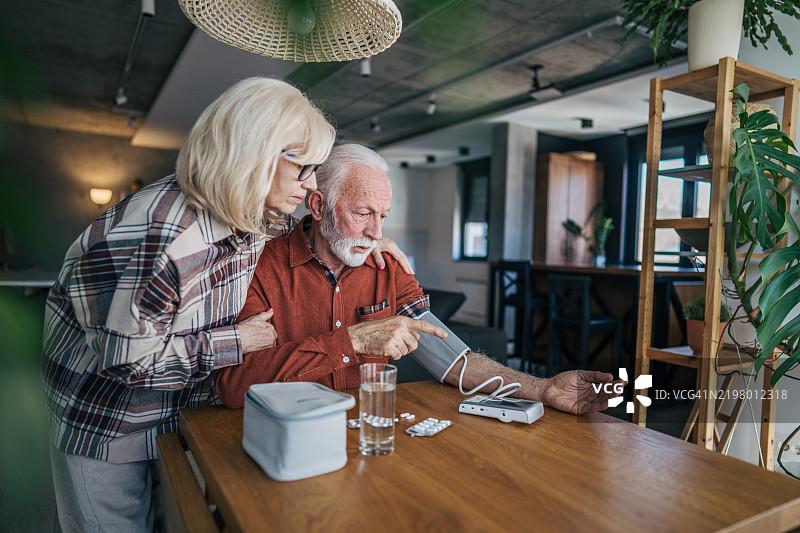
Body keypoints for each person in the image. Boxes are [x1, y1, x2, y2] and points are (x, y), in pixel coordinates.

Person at [43, 79, 412, 533]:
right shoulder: (163, 237)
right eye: (304, 168)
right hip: (107, 418)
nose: (310, 182)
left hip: (178, 415)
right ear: (255, 155)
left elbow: (323, 222)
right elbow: (127, 365)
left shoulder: (254, 214)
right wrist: (235, 340)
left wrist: (367, 234)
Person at [213, 144, 623, 414]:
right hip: (281, 440)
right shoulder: (262, 265)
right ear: (318, 205)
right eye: (362, 213)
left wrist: (541, 388)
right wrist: (354, 341)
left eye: (383, 216)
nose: (376, 232)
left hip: (366, 439)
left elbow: (449, 358)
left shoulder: (388, 268)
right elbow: (234, 386)